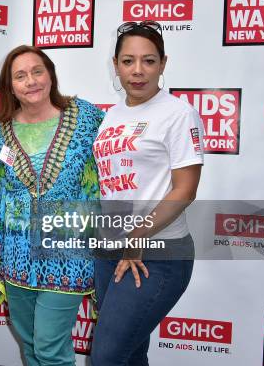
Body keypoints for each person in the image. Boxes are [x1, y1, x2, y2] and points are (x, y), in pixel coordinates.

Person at [90, 21, 204, 366]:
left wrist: (138, 234)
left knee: (107, 356)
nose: (137, 71)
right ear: (116, 65)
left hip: (157, 253)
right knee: (131, 353)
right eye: (128, 61)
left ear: (163, 64)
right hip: (110, 249)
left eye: (148, 61)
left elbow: (186, 189)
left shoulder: (178, 114)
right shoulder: (112, 116)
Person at [0, 45, 104, 365]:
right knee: (30, 345)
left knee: (51, 348)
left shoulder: (86, 117)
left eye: (37, 71)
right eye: (20, 76)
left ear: (51, 74)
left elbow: (108, 176)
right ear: (10, 87)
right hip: (15, 257)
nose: (31, 81)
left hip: (68, 253)